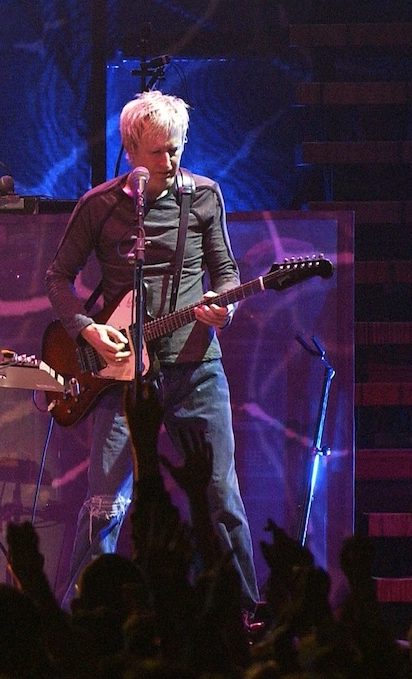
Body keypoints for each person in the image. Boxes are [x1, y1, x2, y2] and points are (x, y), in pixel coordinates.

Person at [44, 91, 258, 610]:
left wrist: (223, 306)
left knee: (219, 493)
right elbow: (58, 277)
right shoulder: (99, 204)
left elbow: (226, 271)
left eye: (175, 149)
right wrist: (86, 331)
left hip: (196, 365)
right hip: (121, 371)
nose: (168, 161)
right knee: (104, 503)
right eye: (157, 151)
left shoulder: (204, 195)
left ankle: (240, 612)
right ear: (131, 150)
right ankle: (89, 613)